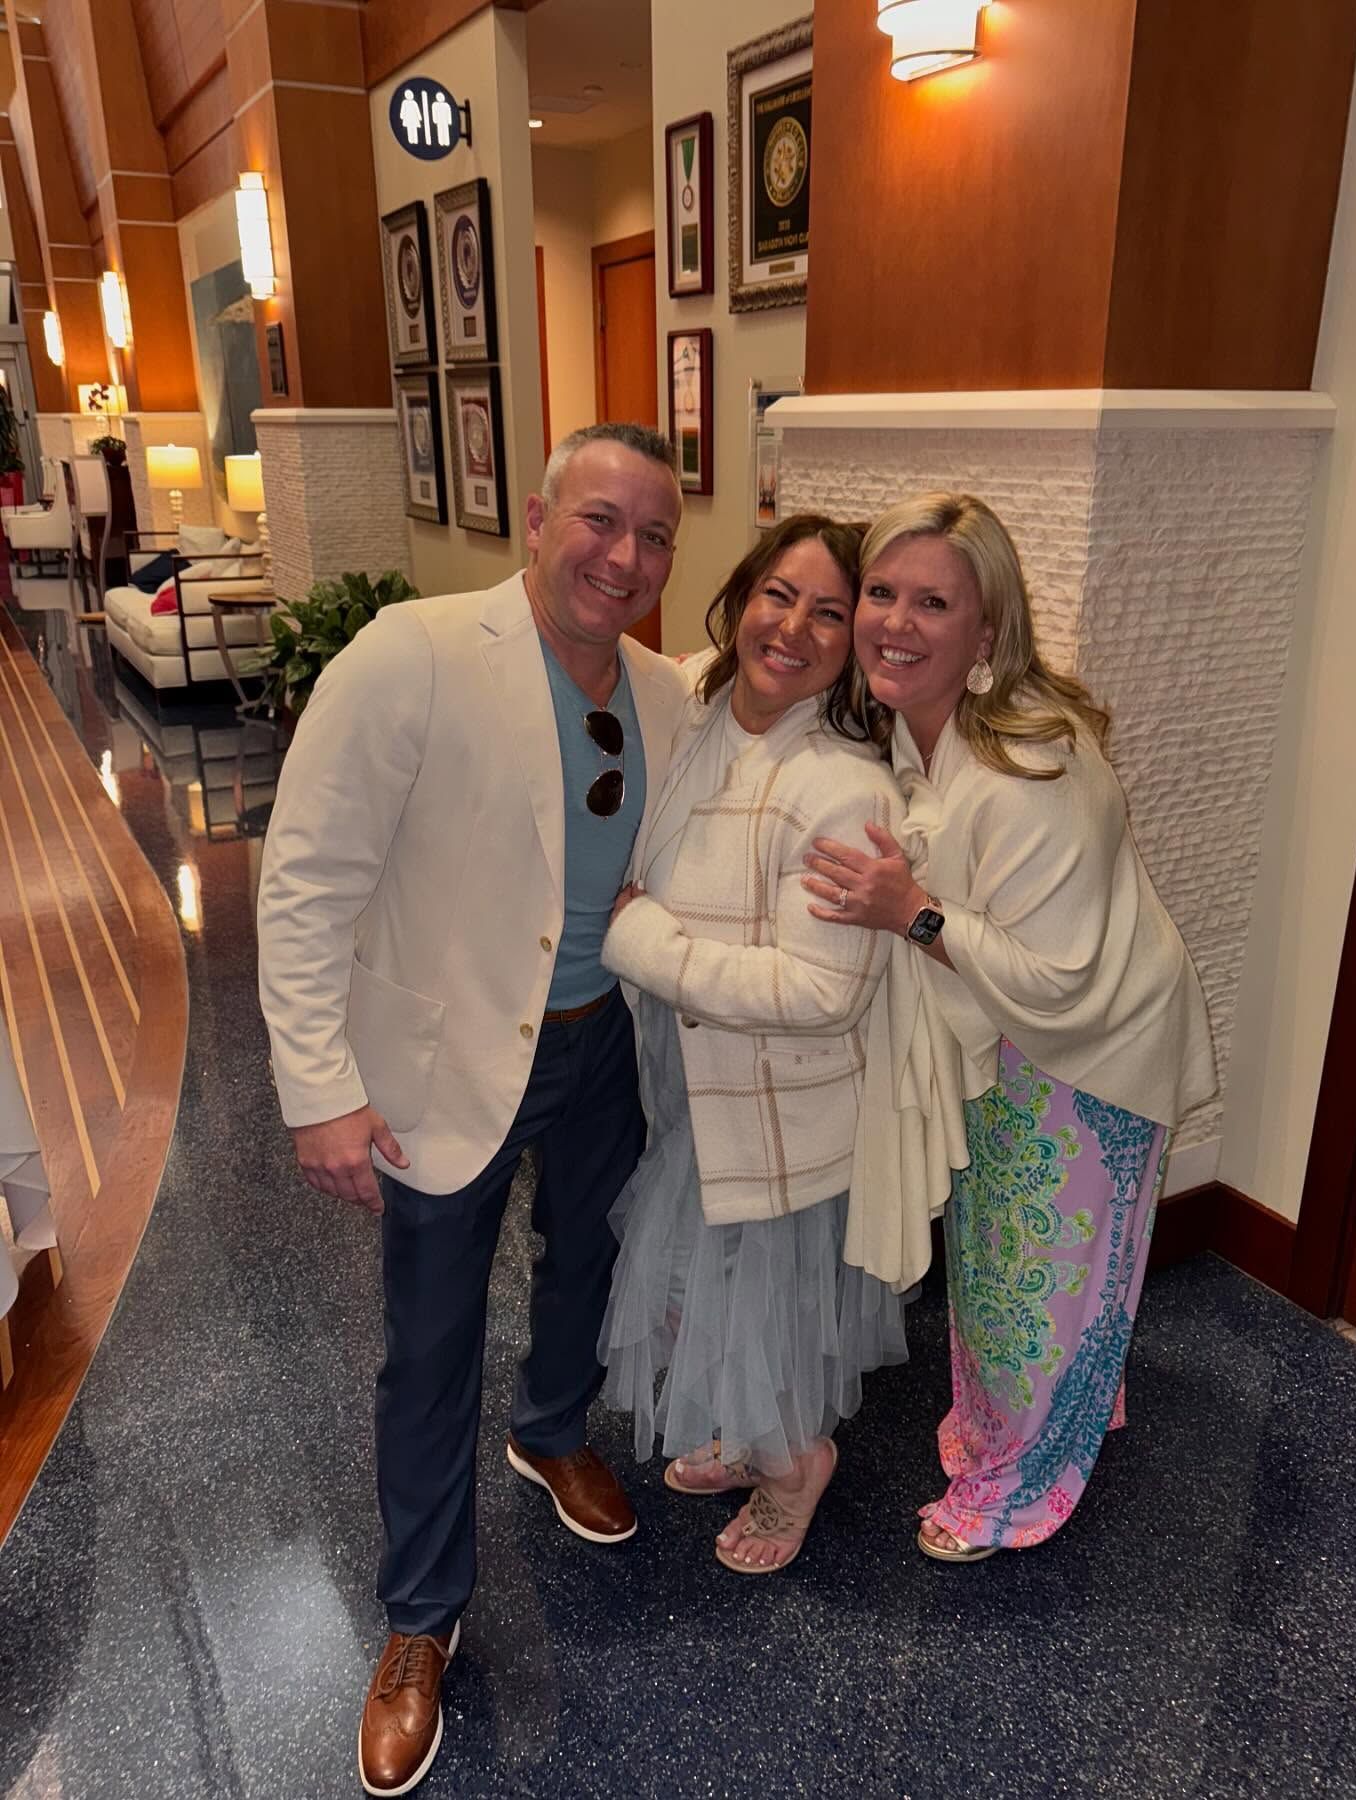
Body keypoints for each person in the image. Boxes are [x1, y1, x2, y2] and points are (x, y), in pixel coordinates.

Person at [256, 423, 689, 1798]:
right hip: (442, 1064)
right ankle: (420, 1617)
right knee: (430, 1342)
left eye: (655, 536)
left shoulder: (670, 695)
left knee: (590, 1263)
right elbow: (308, 875)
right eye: (600, 521)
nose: (623, 557)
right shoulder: (414, 654)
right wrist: (320, 1088)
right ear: (541, 520)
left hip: (598, 1042)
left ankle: (553, 1429)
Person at [802, 492, 1216, 1564]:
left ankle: (1019, 1486)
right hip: (1006, 1030)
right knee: (1005, 1261)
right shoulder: (916, 729)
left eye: (932, 601)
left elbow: (1060, 973)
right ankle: (1053, 1410)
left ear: (987, 633)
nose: (895, 621)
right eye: (882, 592)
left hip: (1089, 1046)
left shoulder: (1031, 766)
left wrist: (913, 913)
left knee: (1038, 1274)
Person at [597, 515, 908, 1575]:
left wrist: (644, 941)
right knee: (695, 1277)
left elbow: (822, 991)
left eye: (830, 611)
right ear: (741, 594)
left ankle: (793, 1464)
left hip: (776, 1098)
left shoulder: (844, 786)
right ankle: (744, 1432)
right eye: (780, 592)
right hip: (684, 1079)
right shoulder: (690, 704)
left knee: (762, 1292)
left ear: (855, 641)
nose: (795, 626)